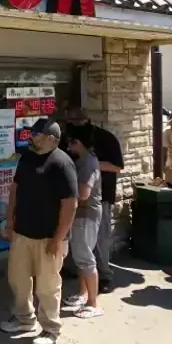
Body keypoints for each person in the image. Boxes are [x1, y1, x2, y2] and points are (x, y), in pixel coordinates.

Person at [0, 118, 78, 344]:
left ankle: (51, 329)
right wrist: (10, 219)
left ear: (51, 139)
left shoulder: (62, 163)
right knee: (18, 279)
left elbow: (70, 205)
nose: (32, 137)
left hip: (48, 238)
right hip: (23, 233)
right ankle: (24, 319)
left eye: (37, 134)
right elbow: (15, 188)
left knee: (47, 286)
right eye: (32, 133)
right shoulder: (27, 158)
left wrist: (58, 238)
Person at [64, 107, 124, 293]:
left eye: (77, 121)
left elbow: (117, 166)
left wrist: (90, 164)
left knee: (100, 239)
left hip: (100, 196)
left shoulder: (105, 138)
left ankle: (104, 275)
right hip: (75, 198)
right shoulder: (69, 138)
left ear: (87, 120)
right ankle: (79, 274)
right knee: (78, 240)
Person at [63, 124, 104, 319]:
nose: (68, 147)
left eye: (70, 143)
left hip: (86, 216)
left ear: (77, 143)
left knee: (86, 258)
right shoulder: (83, 161)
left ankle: (93, 303)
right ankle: (83, 293)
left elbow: (84, 194)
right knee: (80, 257)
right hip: (80, 216)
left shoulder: (88, 164)